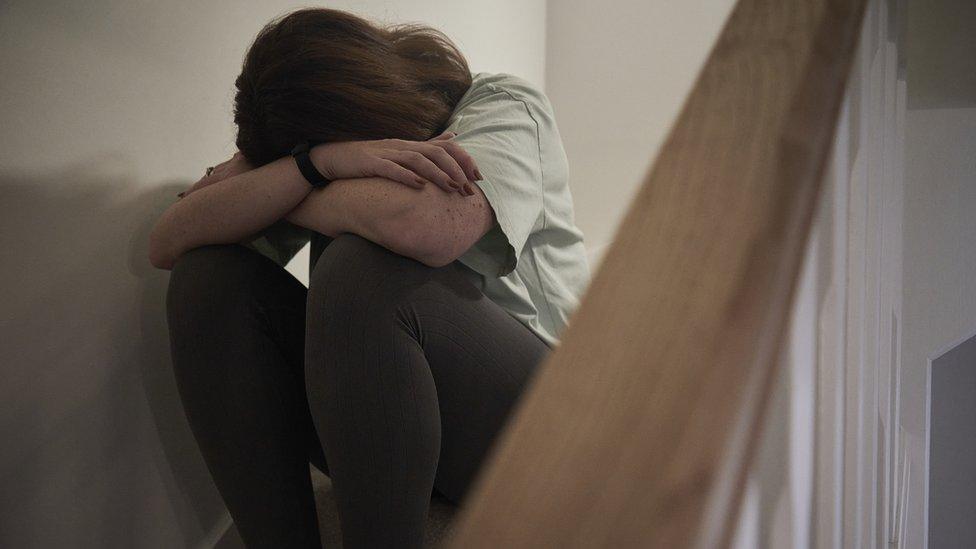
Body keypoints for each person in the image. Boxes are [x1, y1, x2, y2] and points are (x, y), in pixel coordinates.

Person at [149, 7, 589, 548]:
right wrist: (317, 166)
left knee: (366, 270)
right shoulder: (318, 147)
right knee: (209, 277)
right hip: (406, 421)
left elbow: (433, 225)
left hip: (553, 427)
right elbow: (168, 242)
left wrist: (287, 185)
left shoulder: (504, 103)